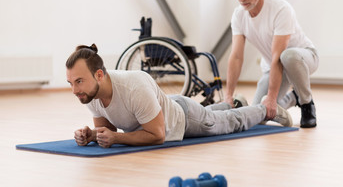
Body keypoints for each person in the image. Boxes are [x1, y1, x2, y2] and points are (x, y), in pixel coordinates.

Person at [66, 44, 293, 148]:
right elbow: (111, 133)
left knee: (230, 123)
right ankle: (234, 104)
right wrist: (94, 135)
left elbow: (157, 135)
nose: (75, 91)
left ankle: (266, 108)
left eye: (79, 82)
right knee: (216, 114)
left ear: (99, 75)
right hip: (161, 109)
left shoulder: (133, 87)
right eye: (71, 83)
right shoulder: (90, 93)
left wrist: (116, 139)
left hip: (182, 119)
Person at [225, 0, 319, 128]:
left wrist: (271, 96)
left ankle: (307, 104)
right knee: (259, 116)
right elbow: (236, 56)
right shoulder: (239, 15)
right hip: (274, 68)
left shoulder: (280, 9)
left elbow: (278, 56)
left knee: (288, 56)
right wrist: (228, 95)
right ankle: (292, 98)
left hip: (303, 59)